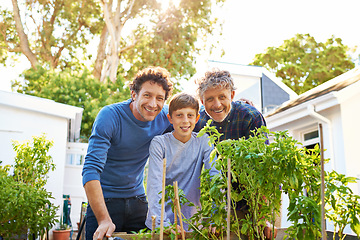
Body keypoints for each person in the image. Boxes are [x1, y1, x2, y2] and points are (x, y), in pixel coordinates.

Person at [82, 66, 173, 240]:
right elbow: (90, 170)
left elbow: (195, 117)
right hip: (105, 202)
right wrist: (103, 220)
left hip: (138, 201)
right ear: (134, 94)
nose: (153, 104)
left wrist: (239, 106)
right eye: (147, 95)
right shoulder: (110, 116)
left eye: (159, 98)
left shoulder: (165, 116)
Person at [193, 69, 277, 239]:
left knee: (262, 234)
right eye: (210, 99)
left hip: (256, 196)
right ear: (202, 101)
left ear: (231, 95)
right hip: (222, 200)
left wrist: (263, 216)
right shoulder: (198, 121)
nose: (217, 104)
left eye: (222, 97)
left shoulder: (250, 116)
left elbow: (262, 167)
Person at [145, 92, 219, 232]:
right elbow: (154, 186)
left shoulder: (203, 141)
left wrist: (217, 218)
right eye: (179, 115)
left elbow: (216, 178)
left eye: (190, 115)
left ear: (197, 118)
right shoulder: (160, 143)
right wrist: (163, 225)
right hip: (161, 222)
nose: (185, 121)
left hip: (192, 223)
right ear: (170, 118)